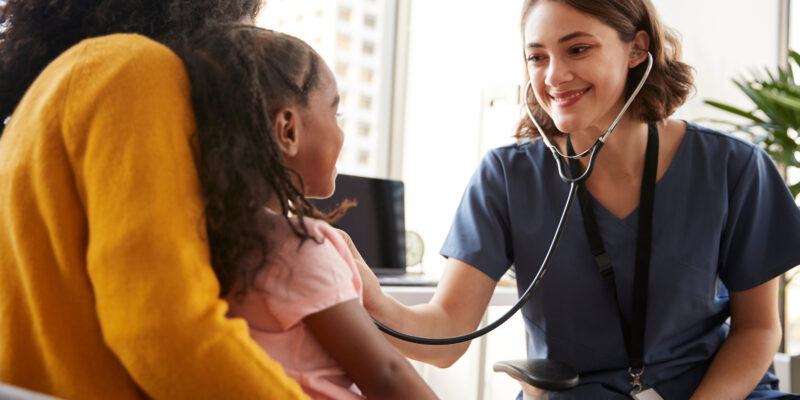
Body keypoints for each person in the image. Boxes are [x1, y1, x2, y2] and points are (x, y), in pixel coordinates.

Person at [350, 0, 800, 399]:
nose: (554, 76)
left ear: (636, 49)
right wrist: (370, 301)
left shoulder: (735, 168)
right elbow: (448, 333)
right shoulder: (506, 177)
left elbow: (758, 329)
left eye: (577, 49)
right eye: (537, 57)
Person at [0, 1, 309, 399]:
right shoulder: (135, 70)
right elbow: (165, 328)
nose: (250, 39)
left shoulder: (64, 85)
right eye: (247, 16)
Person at [175, 24, 437, 400]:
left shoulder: (213, 235)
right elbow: (387, 374)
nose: (342, 133)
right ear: (288, 131)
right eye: (336, 113)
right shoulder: (300, 247)